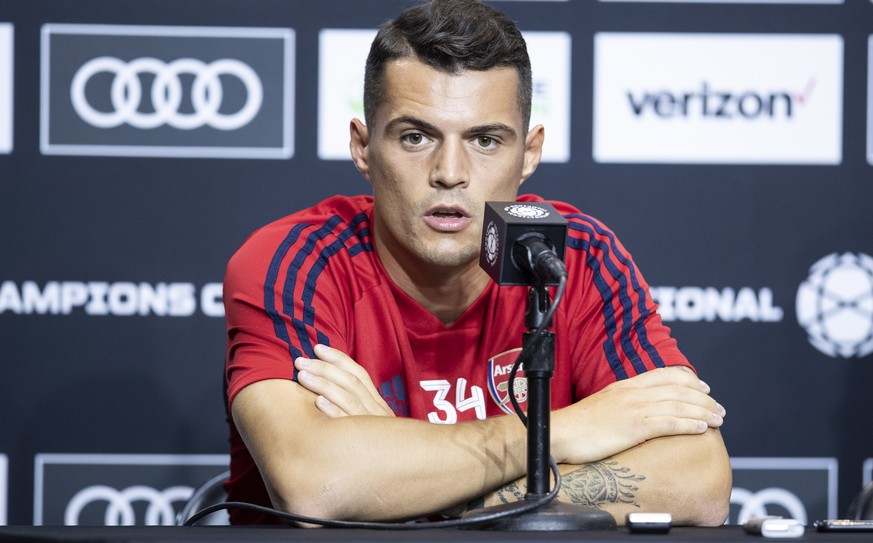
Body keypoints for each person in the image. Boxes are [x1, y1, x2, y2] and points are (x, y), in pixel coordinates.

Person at [223, 0, 731, 526]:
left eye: (485, 141)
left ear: (529, 153)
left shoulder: (574, 256)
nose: (450, 172)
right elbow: (316, 486)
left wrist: (400, 482)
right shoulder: (296, 262)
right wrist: (562, 431)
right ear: (363, 148)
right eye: (416, 137)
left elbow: (698, 478)